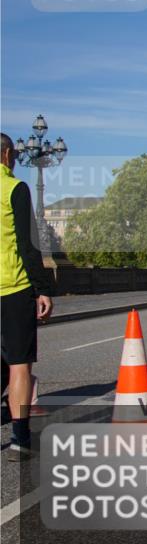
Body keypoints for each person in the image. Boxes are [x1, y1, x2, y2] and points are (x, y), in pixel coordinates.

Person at [1, 132, 54, 460]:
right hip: (13, 287)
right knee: (19, 365)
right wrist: (43, 289)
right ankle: (20, 437)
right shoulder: (14, 189)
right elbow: (27, 244)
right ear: (6, 156)